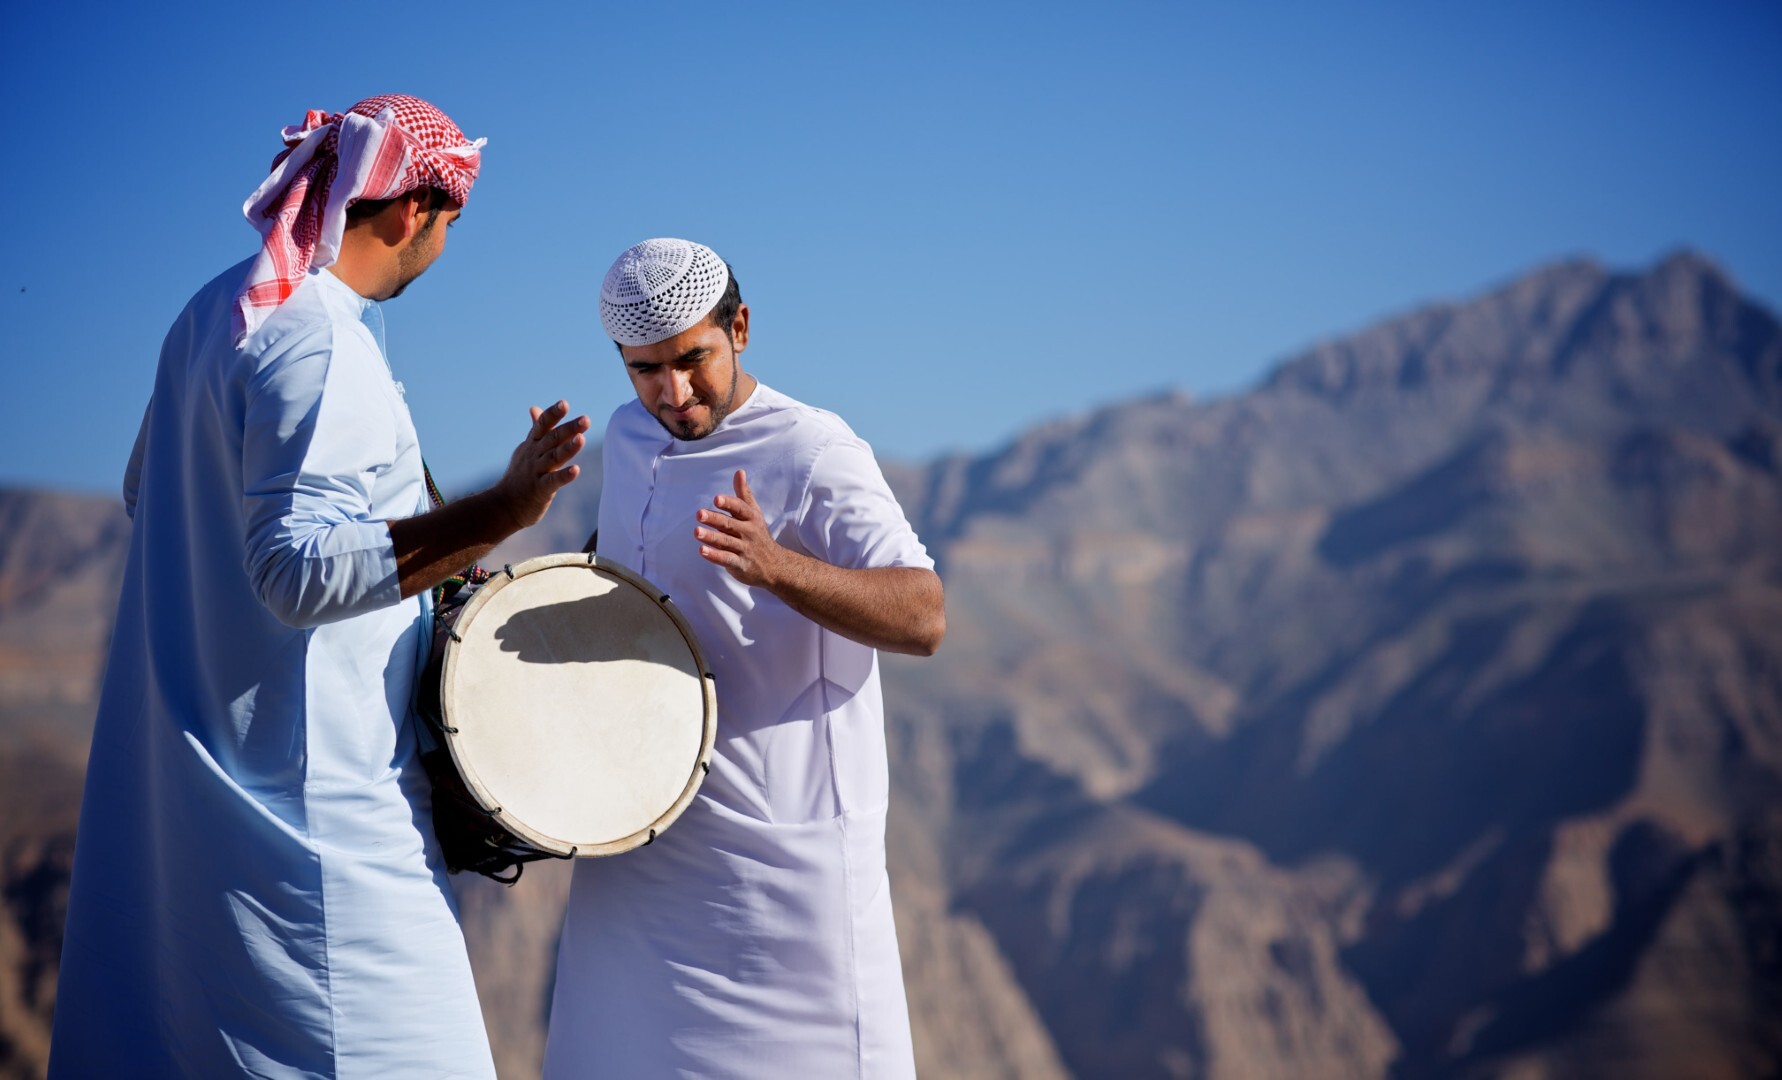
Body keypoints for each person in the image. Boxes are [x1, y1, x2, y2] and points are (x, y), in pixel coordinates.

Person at [49, 94, 589, 1079]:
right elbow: (292, 569)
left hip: (203, 814)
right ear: (411, 210)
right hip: (320, 830)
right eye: (454, 221)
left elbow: (151, 489)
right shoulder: (320, 340)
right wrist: (498, 511)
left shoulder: (214, 314)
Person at [543, 239, 945, 1078]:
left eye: (694, 360)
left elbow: (924, 615)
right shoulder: (626, 437)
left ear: (743, 328)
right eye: (645, 371)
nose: (673, 393)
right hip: (637, 857)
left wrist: (775, 565)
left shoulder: (813, 448)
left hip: (778, 881)